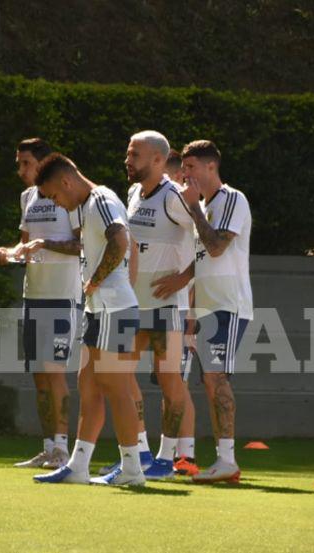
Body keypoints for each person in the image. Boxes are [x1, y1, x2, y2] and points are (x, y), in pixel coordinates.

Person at [31, 153, 145, 486]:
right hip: (100, 308)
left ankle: (133, 469)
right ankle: (79, 466)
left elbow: (121, 240)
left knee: (116, 387)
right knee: (89, 384)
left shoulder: (101, 199)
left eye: (55, 196)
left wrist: (95, 281)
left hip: (113, 307)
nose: (58, 203)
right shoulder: (86, 206)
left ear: (66, 182)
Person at [151, 140, 252, 484]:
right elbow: (202, 259)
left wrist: (194, 209)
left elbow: (217, 247)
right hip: (206, 306)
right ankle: (221, 460)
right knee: (209, 381)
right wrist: (186, 291)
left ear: (211, 167)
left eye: (191, 168)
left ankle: (228, 460)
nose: (185, 174)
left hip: (229, 304)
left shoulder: (232, 199)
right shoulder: (205, 205)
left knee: (216, 379)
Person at [0, 138, 78, 470]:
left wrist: (45, 244)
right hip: (33, 296)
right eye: (19, 163)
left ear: (43, 164)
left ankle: (63, 450)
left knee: (55, 373)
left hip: (63, 296)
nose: (20, 171)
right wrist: (8, 253)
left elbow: (82, 245)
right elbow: (24, 247)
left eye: (25, 163)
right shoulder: (27, 197)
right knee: (39, 375)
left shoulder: (70, 197)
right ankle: (48, 447)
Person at [122, 131, 196, 480]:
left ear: (157, 160)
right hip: (133, 304)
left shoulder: (174, 197)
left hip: (167, 307)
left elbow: (209, 242)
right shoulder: (133, 193)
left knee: (170, 380)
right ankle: (140, 453)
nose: (128, 159)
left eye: (134, 154)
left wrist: (184, 279)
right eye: (128, 153)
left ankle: (168, 458)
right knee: (119, 374)